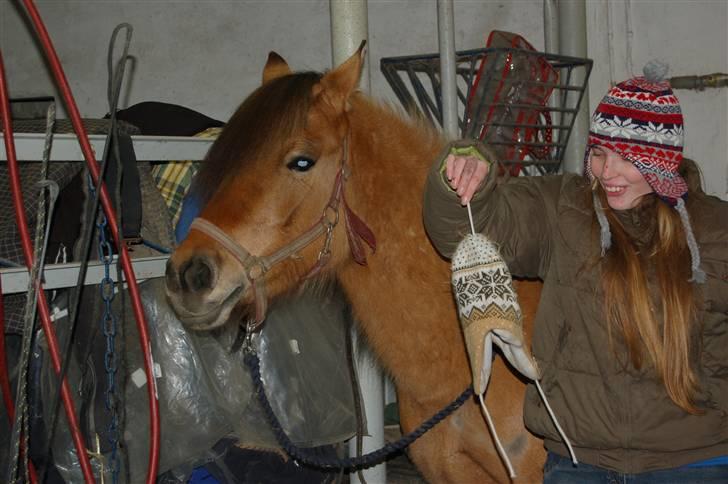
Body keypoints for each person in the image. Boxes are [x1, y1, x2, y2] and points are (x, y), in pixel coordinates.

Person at [423, 65, 728, 482]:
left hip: (696, 463)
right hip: (578, 462)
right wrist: (464, 170)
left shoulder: (716, 231)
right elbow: (464, 231)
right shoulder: (564, 209)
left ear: (660, 161)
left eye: (626, 158)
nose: (606, 172)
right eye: (600, 153)